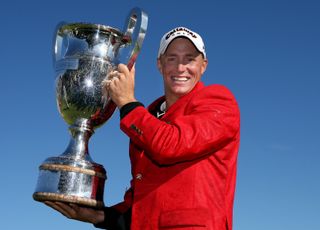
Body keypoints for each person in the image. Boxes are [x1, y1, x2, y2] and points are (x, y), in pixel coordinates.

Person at [45, 26, 240, 230]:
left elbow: (172, 145)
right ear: (160, 64)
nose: (181, 67)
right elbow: (141, 199)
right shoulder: (148, 117)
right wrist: (98, 215)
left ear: (203, 66)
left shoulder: (219, 100)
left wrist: (127, 103)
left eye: (190, 59)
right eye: (172, 58)